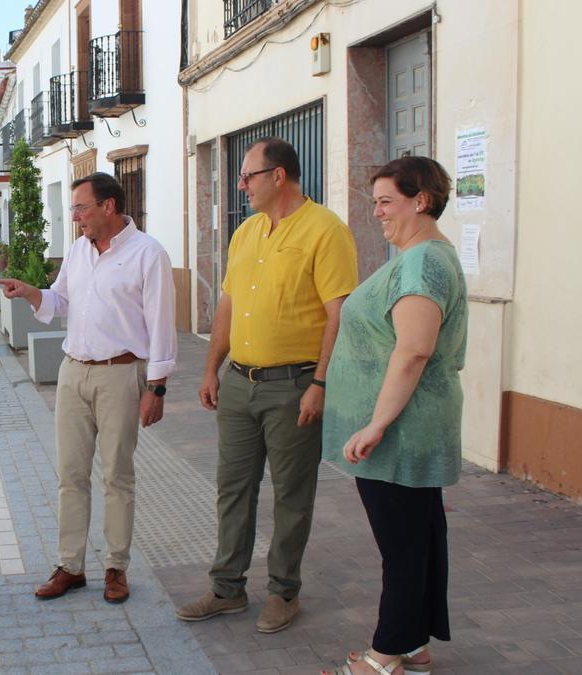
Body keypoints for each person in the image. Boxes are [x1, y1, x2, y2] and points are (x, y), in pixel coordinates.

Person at [175, 138, 358, 633]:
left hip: (294, 385)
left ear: (279, 176)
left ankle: (283, 592)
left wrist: (321, 382)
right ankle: (227, 588)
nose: (241, 185)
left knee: (292, 495)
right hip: (239, 383)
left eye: (248, 176)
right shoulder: (247, 232)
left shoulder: (326, 231)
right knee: (232, 489)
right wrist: (211, 368)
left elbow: (337, 313)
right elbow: (228, 307)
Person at [0, 172, 176, 604]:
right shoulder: (78, 250)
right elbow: (62, 302)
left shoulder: (148, 254)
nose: (74, 217)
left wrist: (158, 388)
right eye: (73, 209)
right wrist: (33, 293)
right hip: (73, 372)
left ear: (108, 207)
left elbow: (163, 324)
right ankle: (70, 566)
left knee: (117, 476)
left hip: (120, 373)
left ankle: (116, 567)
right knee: (70, 476)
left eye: (80, 208)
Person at [321, 157, 465, 675]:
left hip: (402, 434)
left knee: (402, 548)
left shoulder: (423, 262)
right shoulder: (418, 255)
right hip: (405, 430)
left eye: (386, 201)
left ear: (420, 200)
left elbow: (414, 350)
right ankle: (412, 646)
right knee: (418, 540)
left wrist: (376, 424)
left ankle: (384, 657)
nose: (377, 211)